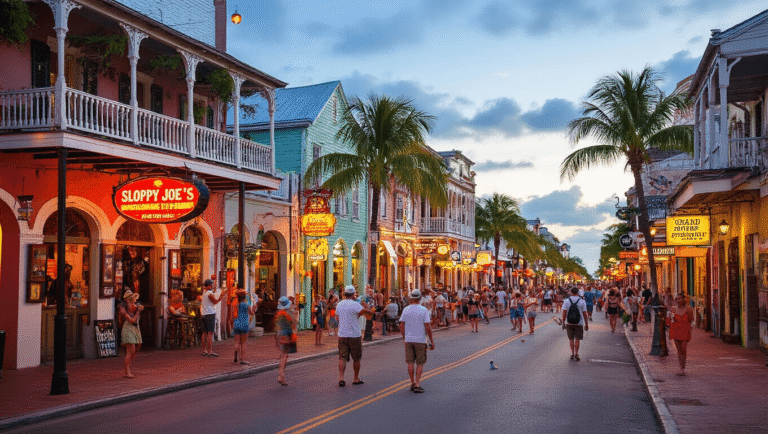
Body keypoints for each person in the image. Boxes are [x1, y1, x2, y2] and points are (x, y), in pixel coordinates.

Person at [336, 285, 373, 387]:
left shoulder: (340, 304)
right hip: (354, 335)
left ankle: (341, 378)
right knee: (356, 358)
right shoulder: (356, 305)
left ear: (344, 294)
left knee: (342, 357)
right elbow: (364, 312)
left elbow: (337, 317)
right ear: (353, 294)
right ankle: (356, 378)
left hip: (342, 334)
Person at [399, 289, 435, 394]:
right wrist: (431, 340)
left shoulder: (406, 309)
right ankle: (418, 384)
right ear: (420, 298)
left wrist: (404, 336)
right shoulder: (424, 310)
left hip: (409, 340)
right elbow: (427, 326)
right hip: (420, 339)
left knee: (410, 362)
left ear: (411, 298)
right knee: (420, 362)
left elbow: (401, 325)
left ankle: (412, 383)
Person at [667, 293, 694, 376]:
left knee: (683, 349)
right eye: (677, 299)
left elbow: (691, 320)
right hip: (675, 330)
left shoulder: (688, 309)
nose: (679, 300)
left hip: (685, 330)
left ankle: (682, 367)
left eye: (680, 298)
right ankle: (681, 368)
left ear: (683, 299)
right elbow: (671, 321)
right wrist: (669, 330)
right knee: (679, 350)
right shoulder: (673, 309)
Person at [119, 290, 143, 378]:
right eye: (132, 298)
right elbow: (131, 320)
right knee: (130, 350)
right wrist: (138, 312)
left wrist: (139, 309)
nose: (134, 300)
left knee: (135, 349)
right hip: (128, 329)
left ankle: (128, 367)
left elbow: (140, 308)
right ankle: (127, 371)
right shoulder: (124, 309)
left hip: (136, 329)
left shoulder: (135, 306)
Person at [201, 279, 228, 357]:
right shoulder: (209, 293)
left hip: (204, 314)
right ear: (209, 286)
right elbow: (215, 301)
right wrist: (221, 296)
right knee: (210, 333)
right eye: (212, 284)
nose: (214, 286)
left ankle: (204, 350)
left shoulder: (204, 293)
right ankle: (210, 351)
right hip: (210, 314)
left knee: (204, 332)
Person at [274, 296, 297, 385]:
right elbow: (294, 324)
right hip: (287, 335)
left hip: (280, 335)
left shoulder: (279, 314)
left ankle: (281, 374)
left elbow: (276, 327)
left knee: (284, 355)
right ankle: (281, 375)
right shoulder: (289, 313)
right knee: (284, 355)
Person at [562, 287, 589, 361]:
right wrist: (586, 324)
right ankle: (576, 353)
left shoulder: (567, 301)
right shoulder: (582, 301)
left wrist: (563, 322)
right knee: (577, 339)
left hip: (569, 322)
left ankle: (572, 353)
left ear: (571, 292)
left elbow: (564, 313)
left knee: (571, 339)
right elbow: (584, 314)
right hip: (579, 322)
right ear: (578, 292)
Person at [232, 289, 257, 364]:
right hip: (244, 325)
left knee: (237, 342)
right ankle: (242, 359)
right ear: (244, 298)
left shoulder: (236, 305)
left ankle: (235, 357)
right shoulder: (247, 305)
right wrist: (254, 309)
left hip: (237, 324)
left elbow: (233, 313)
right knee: (243, 343)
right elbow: (251, 313)